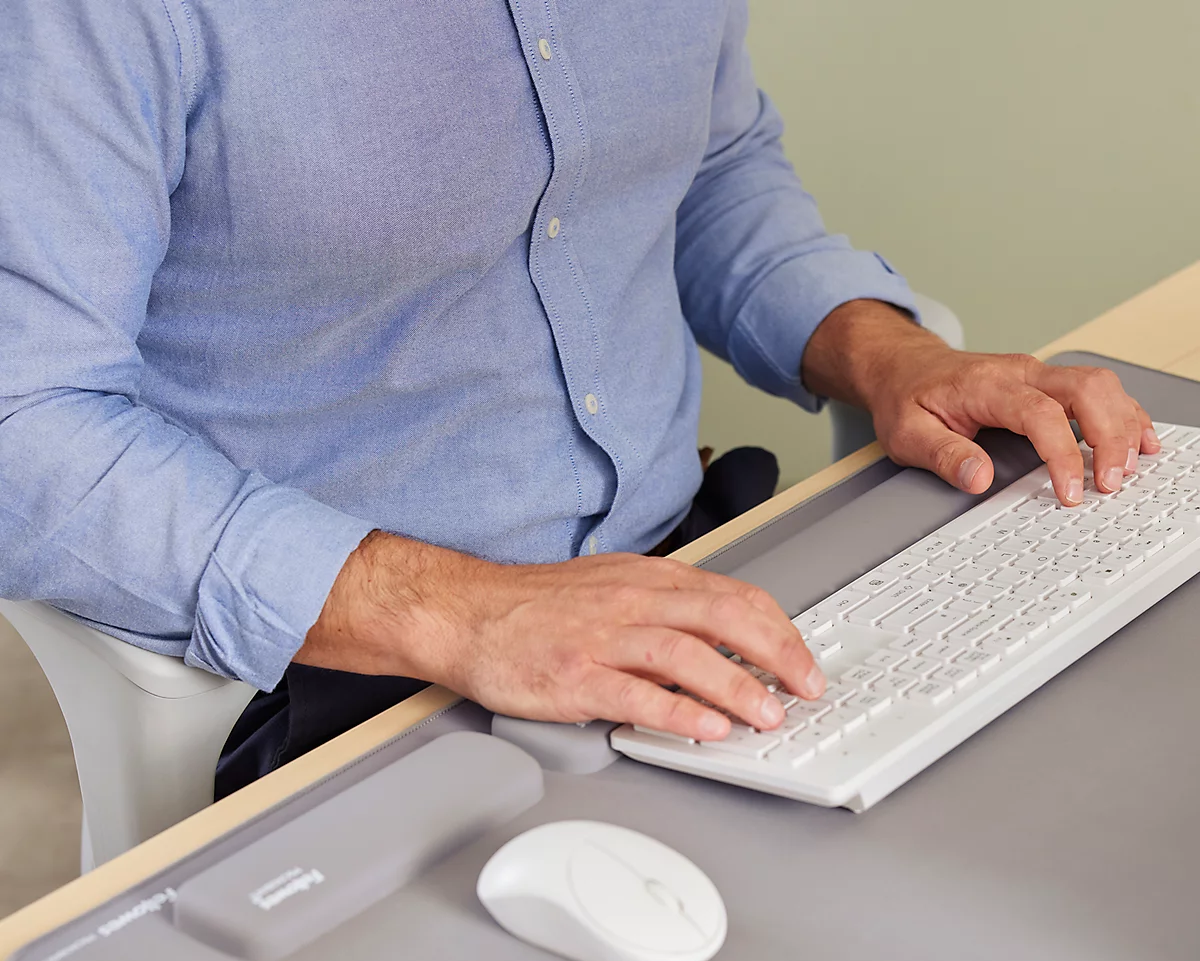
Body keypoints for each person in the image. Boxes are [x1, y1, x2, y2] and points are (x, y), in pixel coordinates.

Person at [0, 0, 1157, 795]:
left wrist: (884, 353)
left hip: (696, 580)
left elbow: (704, 171)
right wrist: (464, 612)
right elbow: (23, 422)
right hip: (350, 683)